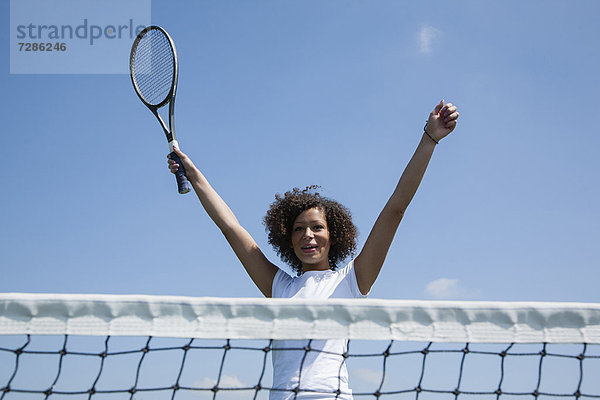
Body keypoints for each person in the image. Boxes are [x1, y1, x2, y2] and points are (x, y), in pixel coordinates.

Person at [168, 100, 459, 399]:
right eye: (298, 229)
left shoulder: (351, 280)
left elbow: (395, 208)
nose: (308, 235)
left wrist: (429, 138)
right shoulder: (279, 286)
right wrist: (194, 175)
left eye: (317, 227)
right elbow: (231, 229)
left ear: (333, 236)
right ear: (288, 239)